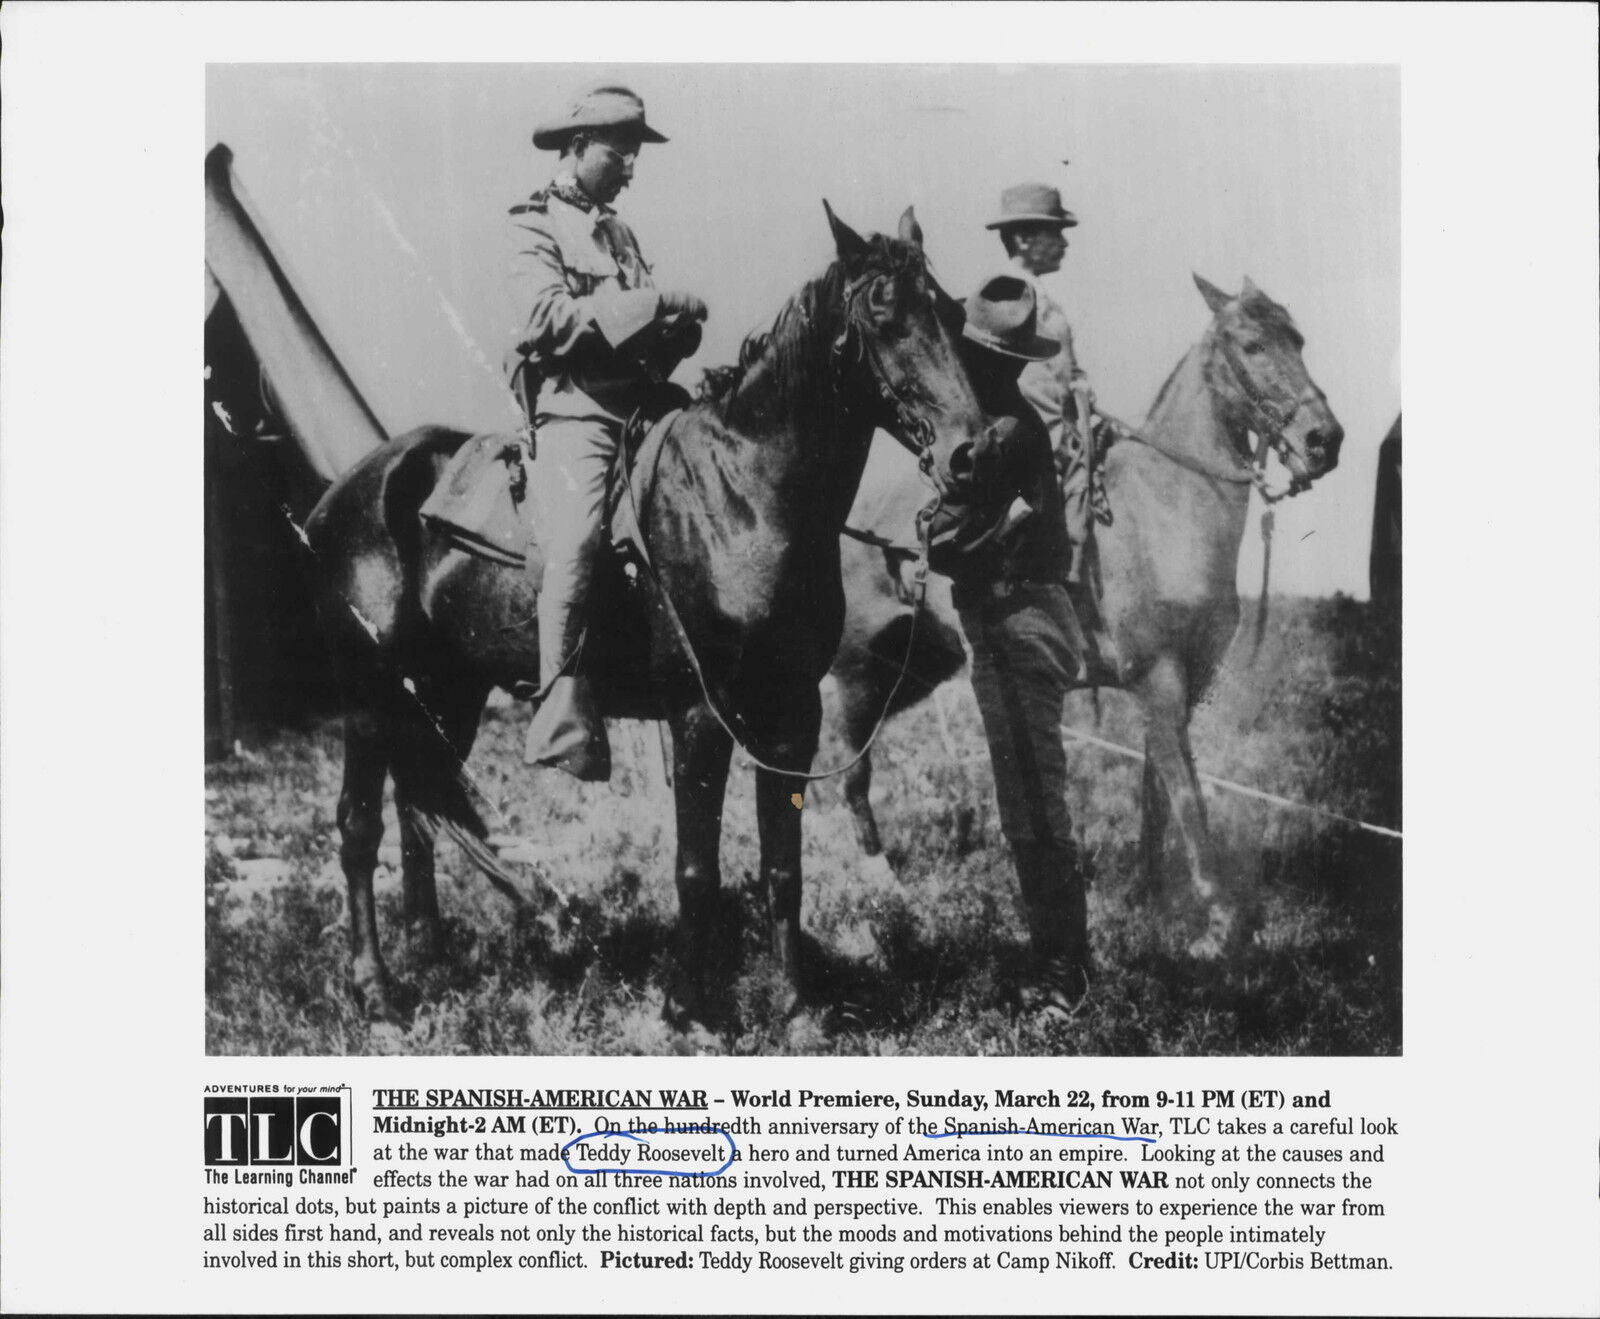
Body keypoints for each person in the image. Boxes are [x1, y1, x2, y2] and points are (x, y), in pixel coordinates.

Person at [504, 85, 707, 780]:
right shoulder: (534, 223)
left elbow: (637, 326)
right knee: (580, 536)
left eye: (634, 152)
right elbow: (543, 321)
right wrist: (651, 303)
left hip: (644, 404)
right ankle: (560, 711)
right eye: (620, 150)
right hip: (579, 410)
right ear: (579, 146)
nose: (629, 165)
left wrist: (674, 334)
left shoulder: (620, 232)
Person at [927, 272, 1094, 1015]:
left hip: (1020, 626)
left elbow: (944, 539)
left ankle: (1066, 975)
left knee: (1033, 804)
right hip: (1009, 622)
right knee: (1025, 802)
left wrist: (939, 527)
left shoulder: (1003, 432)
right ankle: (1055, 960)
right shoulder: (999, 421)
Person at [986, 182, 1103, 594]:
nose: (1064, 243)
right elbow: (1023, 386)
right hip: (1034, 446)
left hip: (1064, 438)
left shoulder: (1042, 296)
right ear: (1022, 237)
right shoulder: (1004, 295)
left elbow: (1064, 369)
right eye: (1055, 232)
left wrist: (1081, 385)